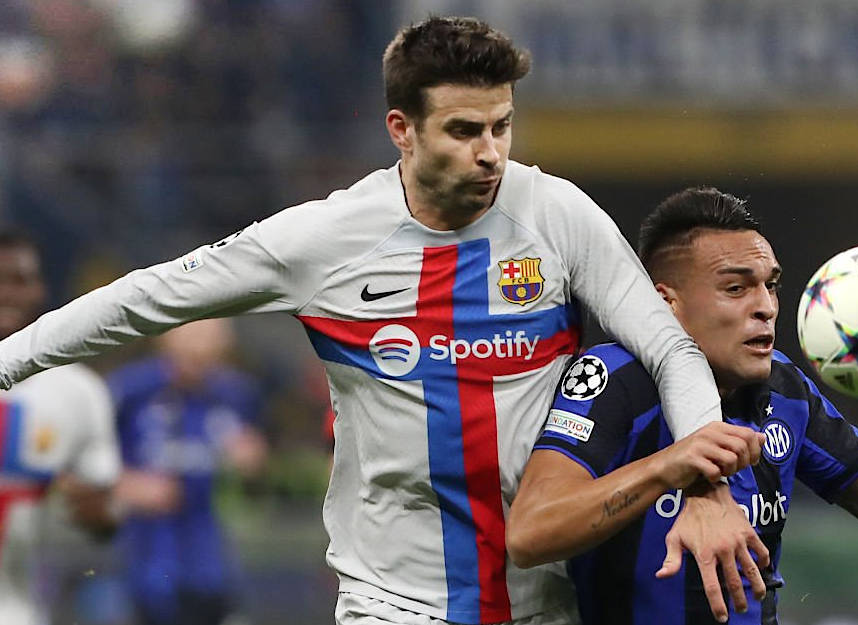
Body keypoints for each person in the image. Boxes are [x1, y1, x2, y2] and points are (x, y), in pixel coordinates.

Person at [0, 17, 762, 625]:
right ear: (402, 128)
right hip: (394, 602)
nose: (490, 153)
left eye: (501, 126)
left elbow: (669, 349)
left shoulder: (556, 214)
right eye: (464, 131)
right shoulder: (325, 240)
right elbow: (141, 298)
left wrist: (708, 487)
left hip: (545, 601)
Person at [506, 187, 858, 624]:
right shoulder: (616, 380)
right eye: (736, 288)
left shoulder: (783, 388)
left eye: (771, 286)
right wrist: (668, 468)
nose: (765, 308)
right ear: (665, 304)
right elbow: (531, 533)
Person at [109, 318, 267, 625]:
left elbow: (258, 474)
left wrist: (253, 460)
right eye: (192, 334)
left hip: (217, 566)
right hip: (144, 562)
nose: (199, 347)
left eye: (211, 336)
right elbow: (86, 468)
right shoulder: (129, 391)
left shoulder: (237, 394)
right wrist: (128, 485)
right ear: (165, 337)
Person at [0, 230, 121, 625]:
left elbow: (104, 516)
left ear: (41, 289)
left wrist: (96, 513)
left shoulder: (79, 391)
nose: (7, 293)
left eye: (20, 280)